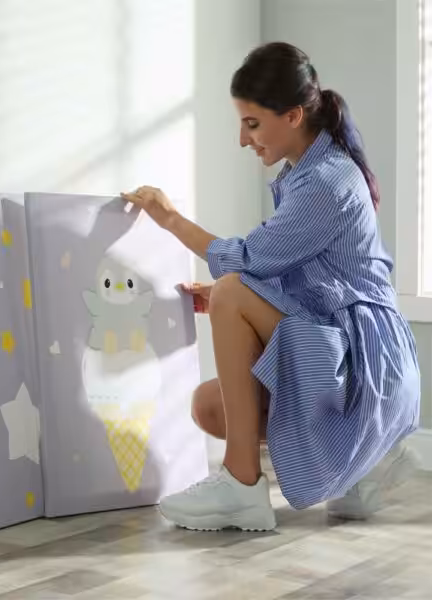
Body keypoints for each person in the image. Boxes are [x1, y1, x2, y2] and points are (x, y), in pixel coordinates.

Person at [121, 41, 421, 532]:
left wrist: (171, 218)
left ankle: (241, 487)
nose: (243, 139)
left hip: (366, 362)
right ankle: (366, 463)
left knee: (232, 288)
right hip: (344, 345)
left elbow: (247, 259)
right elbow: (304, 274)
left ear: (294, 116)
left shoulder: (326, 181)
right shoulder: (305, 173)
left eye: (253, 124)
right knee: (208, 407)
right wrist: (232, 300)